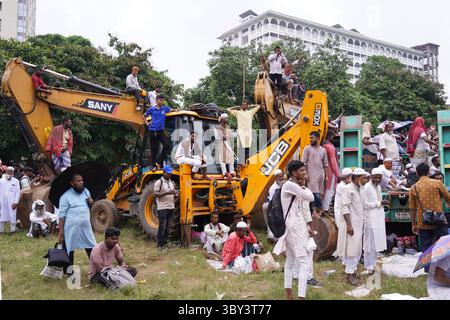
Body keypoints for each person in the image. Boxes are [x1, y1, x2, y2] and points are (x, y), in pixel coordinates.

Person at [273, 160, 315, 300]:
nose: (305, 173)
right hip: (294, 227)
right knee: (304, 262)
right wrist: (304, 187)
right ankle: (301, 297)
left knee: (291, 260)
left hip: (295, 226)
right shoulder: (290, 185)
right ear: (293, 173)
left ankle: (289, 294)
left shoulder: (293, 185)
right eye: (302, 171)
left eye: (305, 170)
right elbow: (311, 197)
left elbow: (304, 205)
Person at [58, 174, 97, 272]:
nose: (81, 182)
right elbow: (61, 216)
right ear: (72, 183)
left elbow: (89, 207)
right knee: (69, 250)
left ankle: (96, 269)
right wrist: (61, 232)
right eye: (78, 181)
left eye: (82, 180)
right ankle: (69, 271)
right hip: (71, 229)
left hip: (86, 227)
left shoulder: (86, 191)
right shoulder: (65, 196)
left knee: (91, 247)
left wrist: (91, 203)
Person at [334, 168, 367, 286]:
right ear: (357, 178)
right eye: (364, 178)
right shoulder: (348, 189)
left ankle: (353, 272)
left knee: (357, 249)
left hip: (359, 224)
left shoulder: (360, 189)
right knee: (351, 250)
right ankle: (349, 275)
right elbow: (344, 207)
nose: (366, 180)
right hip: (351, 225)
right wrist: (349, 225)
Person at [409, 163, 450, 253]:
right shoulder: (438, 183)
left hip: (422, 222)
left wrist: (413, 224)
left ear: (417, 173)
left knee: (426, 250)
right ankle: (444, 266)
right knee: (445, 246)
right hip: (439, 220)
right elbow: (448, 198)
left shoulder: (413, 187)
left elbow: (412, 208)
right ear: (428, 172)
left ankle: (428, 267)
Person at [361, 168, 389, 274]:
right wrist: (379, 203)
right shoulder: (367, 187)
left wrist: (380, 204)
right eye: (375, 177)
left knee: (377, 243)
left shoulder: (378, 187)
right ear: (371, 177)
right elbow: (365, 204)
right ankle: (369, 267)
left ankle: (374, 265)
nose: (377, 179)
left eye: (379, 178)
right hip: (370, 219)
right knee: (370, 244)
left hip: (378, 219)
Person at [302, 131, 328, 215]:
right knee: (314, 193)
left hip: (321, 175)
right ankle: (320, 209)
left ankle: (315, 211)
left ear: (317, 138)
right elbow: (303, 163)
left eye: (312, 138)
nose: (310, 140)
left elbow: (325, 164)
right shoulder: (307, 149)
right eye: (310, 138)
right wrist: (305, 174)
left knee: (319, 193)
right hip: (311, 175)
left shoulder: (323, 150)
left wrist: (326, 176)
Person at [144, 95, 173, 170]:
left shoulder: (165, 108)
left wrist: (176, 110)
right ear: (156, 100)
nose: (162, 101)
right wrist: (147, 123)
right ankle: (154, 166)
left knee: (167, 145)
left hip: (161, 132)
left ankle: (159, 161)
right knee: (154, 149)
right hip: (152, 131)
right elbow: (144, 115)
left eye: (163, 100)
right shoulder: (152, 109)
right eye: (160, 100)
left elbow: (171, 110)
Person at [153, 165, 179, 251]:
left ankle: (165, 243)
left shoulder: (172, 183)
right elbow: (155, 194)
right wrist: (167, 193)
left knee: (168, 227)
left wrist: (176, 195)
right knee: (162, 227)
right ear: (163, 172)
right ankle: (159, 245)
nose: (170, 174)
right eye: (168, 173)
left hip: (171, 207)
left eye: (170, 173)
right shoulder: (159, 182)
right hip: (162, 208)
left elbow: (173, 195)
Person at [265, 169, 286, 242]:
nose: (282, 178)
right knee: (272, 222)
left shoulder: (282, 184)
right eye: (280, 176)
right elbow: (273, 201)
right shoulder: (273, 188)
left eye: (282, 176)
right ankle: (272, 238)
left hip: (278, 206)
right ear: (276, 177)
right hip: (272, 207)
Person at [322, 131, 340, 213]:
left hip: (322, 170)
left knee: (324, 189)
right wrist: (338, 174)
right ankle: (326, 208)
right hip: (330, 171)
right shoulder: (330, 147)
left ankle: (323, 207)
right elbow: (333, 161)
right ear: (331, 136)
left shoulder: (322, 145)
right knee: (329, 189)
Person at [0, 167, 21, 234]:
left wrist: (15, 202)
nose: (9, 173)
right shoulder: (1, 181)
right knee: (2, 216)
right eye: (8, 171)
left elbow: (18, 193)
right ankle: (1, 231)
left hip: (12, 202)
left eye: (11, 171)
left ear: (13, 173)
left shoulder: (16, 181)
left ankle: (12, 230)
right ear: (6, 172)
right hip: (2, 202)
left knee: (12, 216)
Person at [214, 114, 235, 180]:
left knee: (231, 158)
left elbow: (230, 134)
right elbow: (219, 137)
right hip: (221, 145)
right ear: (222, 120)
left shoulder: (227, 127)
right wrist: (225, 136)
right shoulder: (217, 127)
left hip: (227, 144)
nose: (228, 120)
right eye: (226, 118)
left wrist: (225, 136)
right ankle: (225, 174)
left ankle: (232, 173)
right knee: (222, 160)